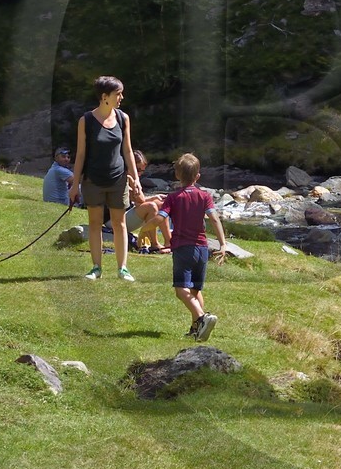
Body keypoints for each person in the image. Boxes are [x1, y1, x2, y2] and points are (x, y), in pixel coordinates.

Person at [69, 76, 142, 281]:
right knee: (94, 223)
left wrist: (135, 178)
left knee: (120, 224)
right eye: (117, 93)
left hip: (118, 179)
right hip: (93, 180)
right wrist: (75, 185)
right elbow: (81, 154)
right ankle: (96, 268)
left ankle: (123, 268)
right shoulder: (86, 121)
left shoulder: (123, 118)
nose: (121, 97)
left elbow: (127, 151)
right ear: (104, 97)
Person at [158, 152, 227, 340]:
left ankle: (202, 317)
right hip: (202, 248)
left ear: (177, 175)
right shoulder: (205, 196)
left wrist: (146, 227)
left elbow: (161, 217)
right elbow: (214, 218)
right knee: (196, 290)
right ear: (198, 176)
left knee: (181, 290)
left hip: (183, 248)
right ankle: (197, 329)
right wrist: (222, 243)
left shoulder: (172, 197)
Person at [124, 151, 171, 253]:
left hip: (126, 214)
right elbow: (140, 200)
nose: (139, 173)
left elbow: (137, 201)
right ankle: (154, 245)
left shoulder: (131, 178)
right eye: (138, 170)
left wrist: (155, 197)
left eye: (142, 171)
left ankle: (169, 242)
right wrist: (134, 180)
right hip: (115, 219)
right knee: (151, 206)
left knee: (161, 204)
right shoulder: (124, 178)